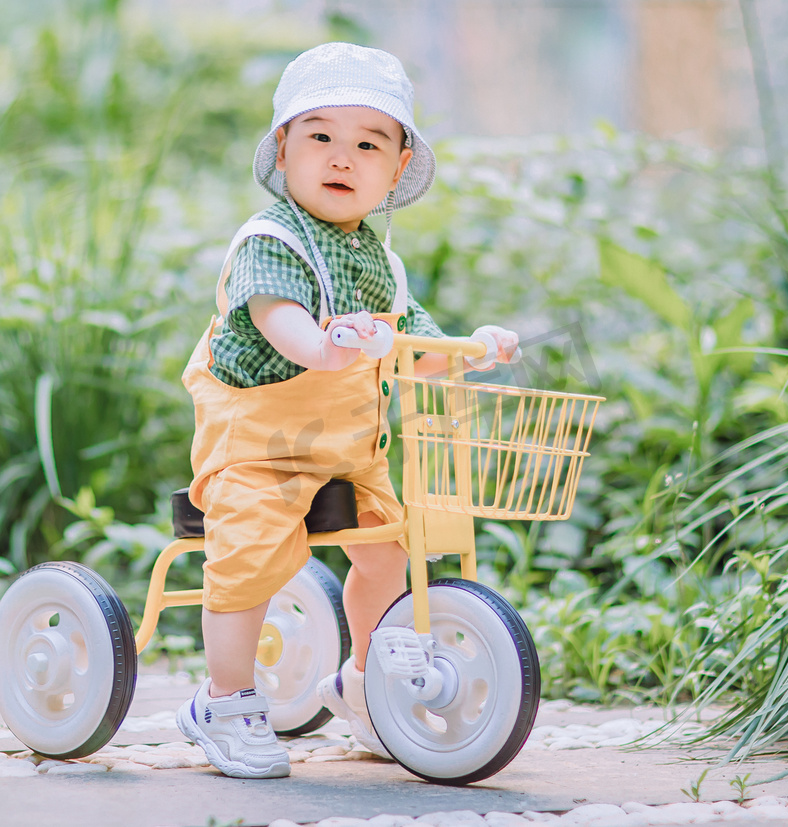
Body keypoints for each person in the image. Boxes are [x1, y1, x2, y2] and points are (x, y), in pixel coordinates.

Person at [175, 42, 519, 779]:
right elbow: (283, 323)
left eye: (368, 143)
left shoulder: (380, 263)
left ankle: (366, 682)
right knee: (246, 554)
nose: (342, 158)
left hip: (349, 448)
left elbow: (417, 346)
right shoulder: (272, 241)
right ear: (284, 148)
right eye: (321, 136)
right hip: (259, 444)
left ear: (395, 169)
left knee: (389, 550)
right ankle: (225, 699)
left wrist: (471, 346)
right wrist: (325, 344)